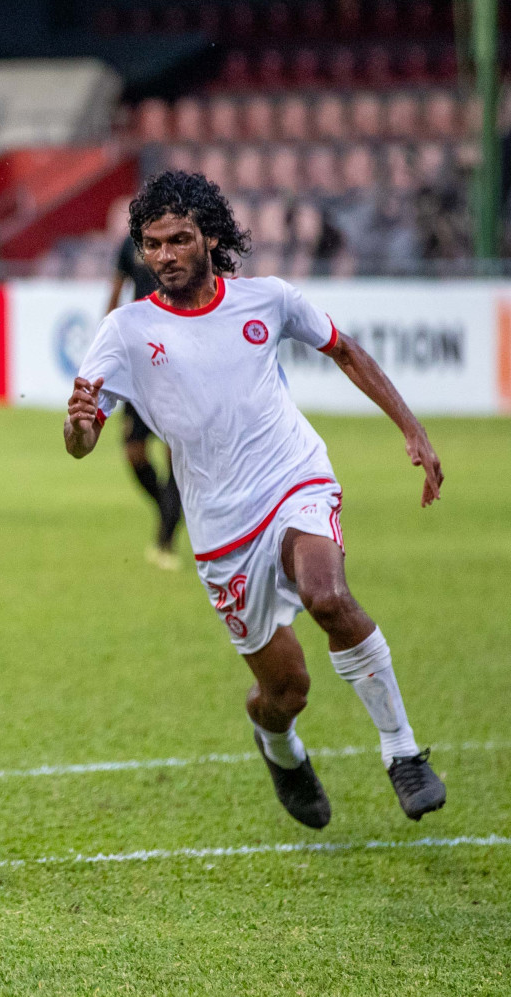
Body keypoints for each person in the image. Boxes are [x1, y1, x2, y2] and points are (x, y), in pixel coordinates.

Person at [65, 171, 446, 829]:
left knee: (329, 597)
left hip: (292, 477)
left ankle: (403, 751)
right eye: (152, 244)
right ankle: (279, 746)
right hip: (220, 528)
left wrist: (411, 429)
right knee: (284, 691)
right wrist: (77, 425)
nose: (165, 255)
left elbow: (345, 351)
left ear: (210, 236)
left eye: (179, 239)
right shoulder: (124, 331)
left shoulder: (267, 300)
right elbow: (82, 439)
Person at [106, 232, 184, 569]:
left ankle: (165, 541)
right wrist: (106, 339)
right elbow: (116, 289)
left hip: (179, 357)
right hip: (140, 360)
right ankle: (167, 508)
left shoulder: (185, 240)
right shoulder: (130, 244)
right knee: (134, 451)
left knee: (175, 455)